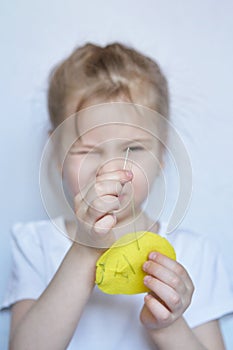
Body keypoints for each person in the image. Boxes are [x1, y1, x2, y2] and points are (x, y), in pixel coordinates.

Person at [1, 42, 233, 350]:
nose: (110, 169)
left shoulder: (196, 255)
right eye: (86, 151)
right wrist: (84, 250)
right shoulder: (35, 245)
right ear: (55, 151)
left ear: (162, 151)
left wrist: (169, 326)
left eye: (132, 149)